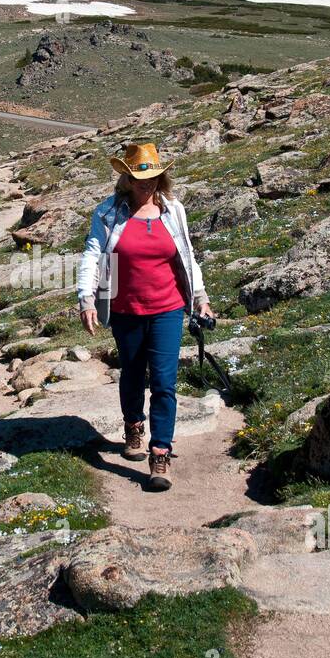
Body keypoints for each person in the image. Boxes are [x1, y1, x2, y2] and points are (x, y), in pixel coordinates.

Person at [77, 142, 214, 490]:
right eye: (140, 176)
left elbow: (187, 255)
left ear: (162, 177)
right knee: (133, 374)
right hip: (125, 309)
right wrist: (87, 298)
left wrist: (200, 297)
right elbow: (93, 255)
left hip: (168, 308)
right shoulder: (108, 213)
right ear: (126, 177)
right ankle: (134, 424)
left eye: (153, 176)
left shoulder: (174, 211)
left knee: (165, 383)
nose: (147, 183)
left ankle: (160, 453)